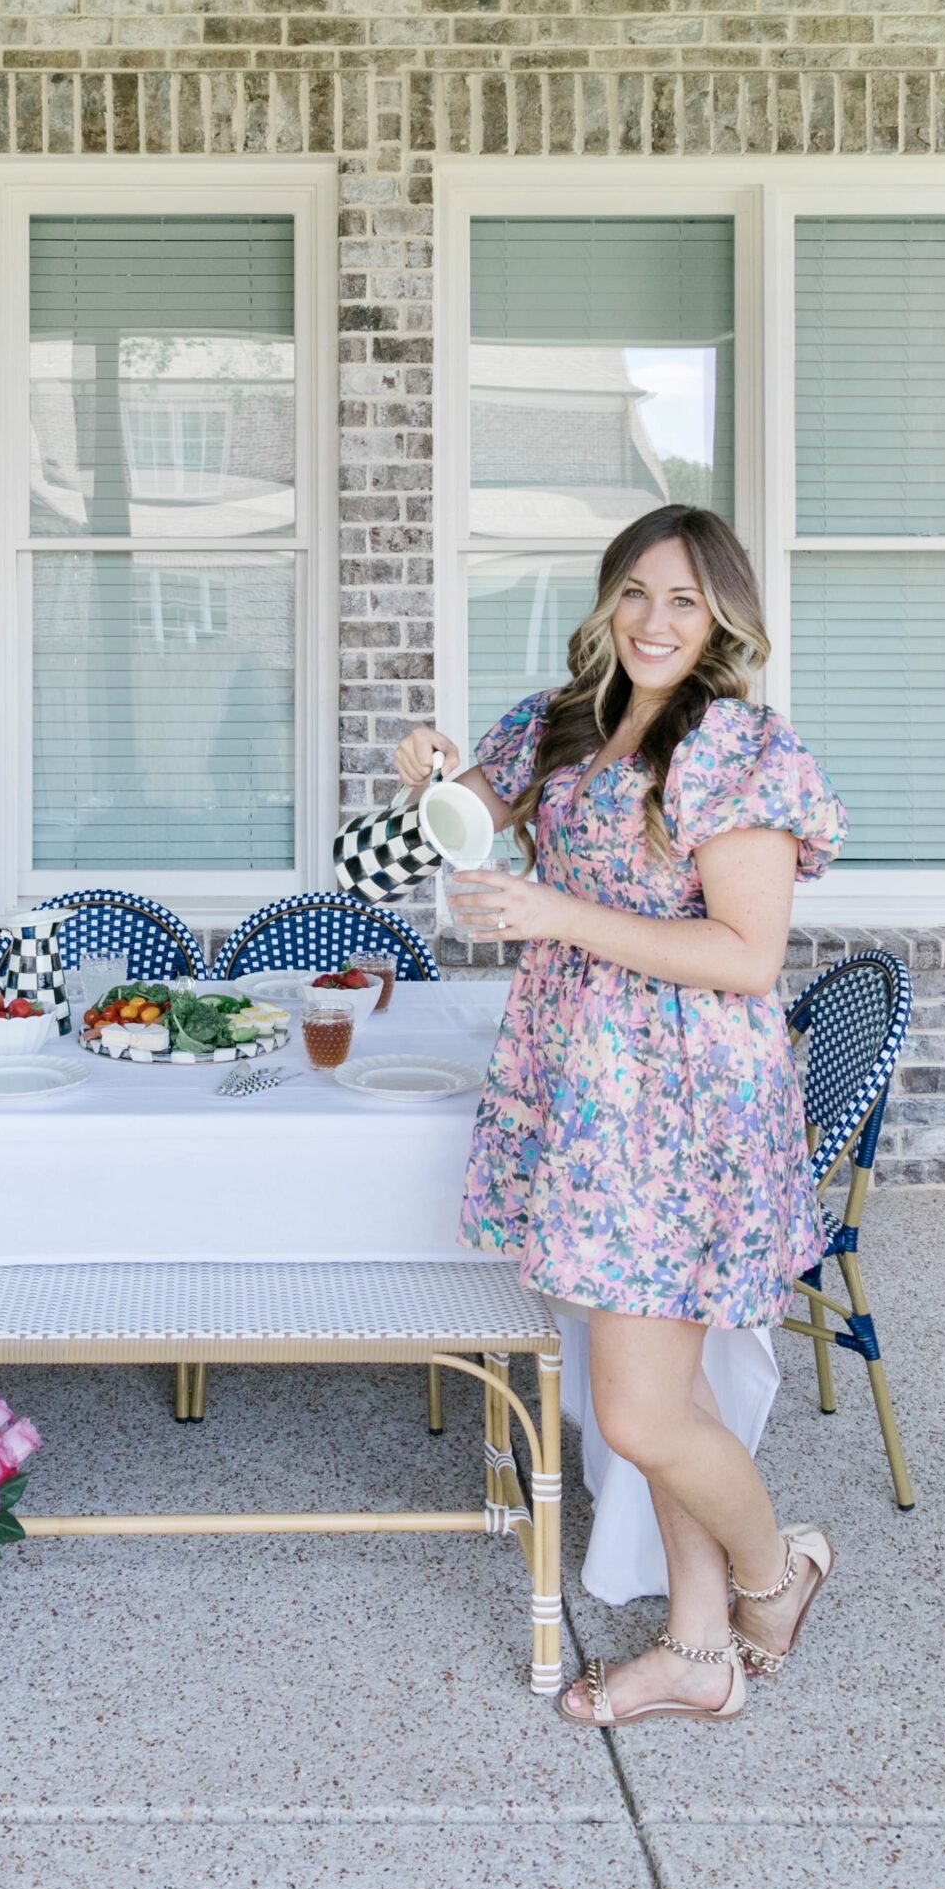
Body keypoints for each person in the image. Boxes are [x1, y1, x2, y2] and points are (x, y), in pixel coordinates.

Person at [394, 506, 846, 1725]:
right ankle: (699, 1658)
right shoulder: (562, 721)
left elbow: (748, 955)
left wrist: (555, 915)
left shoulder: (738, 747)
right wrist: (435, 776)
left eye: (685, 601)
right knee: (664, 1395)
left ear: (723, 619)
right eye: (637, 592)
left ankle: (775, 1575)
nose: (655, 620)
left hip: (686, 1106)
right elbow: (466, 819)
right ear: (607, 599)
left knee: (640, 1406)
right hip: (590, 1097)